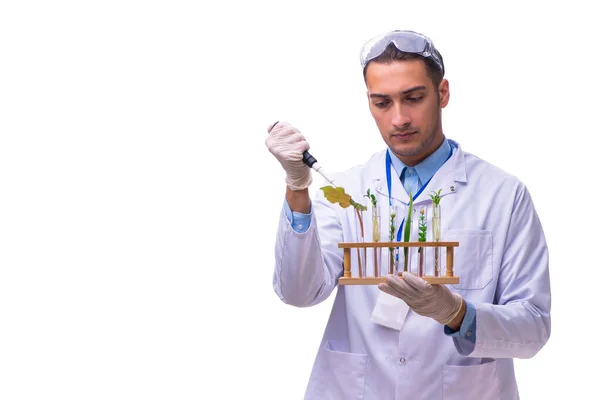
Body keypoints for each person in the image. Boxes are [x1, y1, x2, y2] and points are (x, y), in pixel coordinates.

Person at [265, 30, 551, 400]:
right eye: (382, 103)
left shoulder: (502, 194)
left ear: (442, 93)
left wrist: (457, 313)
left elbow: (533, 329)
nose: (399, 118)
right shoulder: (347, 192)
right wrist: (296, 187)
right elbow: (298, 292)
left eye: (413, 98)